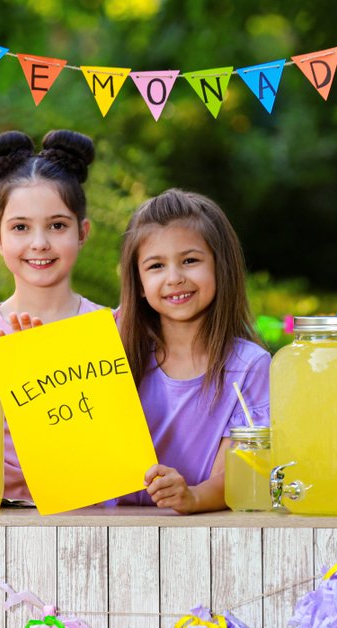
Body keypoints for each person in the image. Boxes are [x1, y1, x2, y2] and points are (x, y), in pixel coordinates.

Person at [0, 129, 104, 502]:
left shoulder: (112, 330)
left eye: (57, 225)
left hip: (94, 524)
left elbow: (108, 456)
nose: (39, 243)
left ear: (82, 232)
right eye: (21, 227)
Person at [116, 188, 270, 514]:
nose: (175, 278)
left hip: (203, 537)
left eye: (190, 261)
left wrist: (194, 496)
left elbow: (240, 472)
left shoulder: (250, 367)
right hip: (105, 536)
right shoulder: (115, 355)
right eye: (156, 266)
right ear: (139, 283)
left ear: (220, 265)